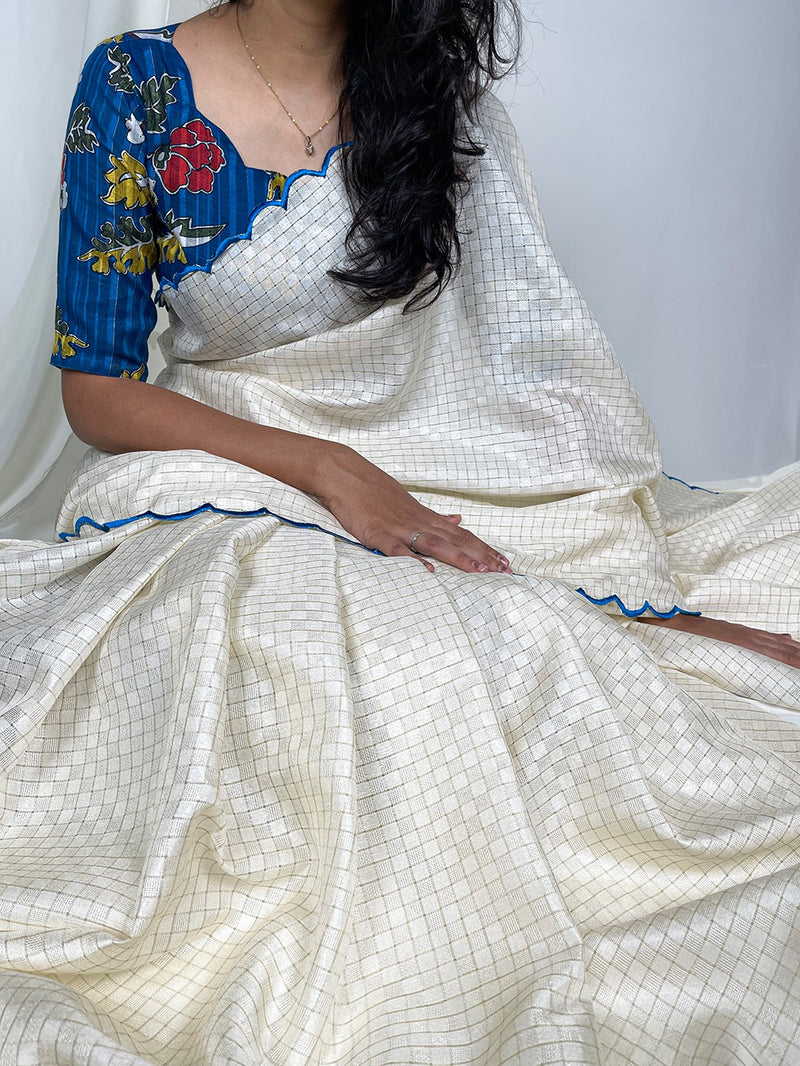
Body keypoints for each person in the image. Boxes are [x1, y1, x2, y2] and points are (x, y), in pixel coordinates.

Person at [0, 1, 798, 1063]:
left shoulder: (424, 93)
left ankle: (634, 656)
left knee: (523, 628)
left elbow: (508, 353)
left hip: (431, 456)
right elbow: (98, 395)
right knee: (358, 649)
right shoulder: (135, 89)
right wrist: (328, 469)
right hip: (222, 461)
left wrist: (556, 526)